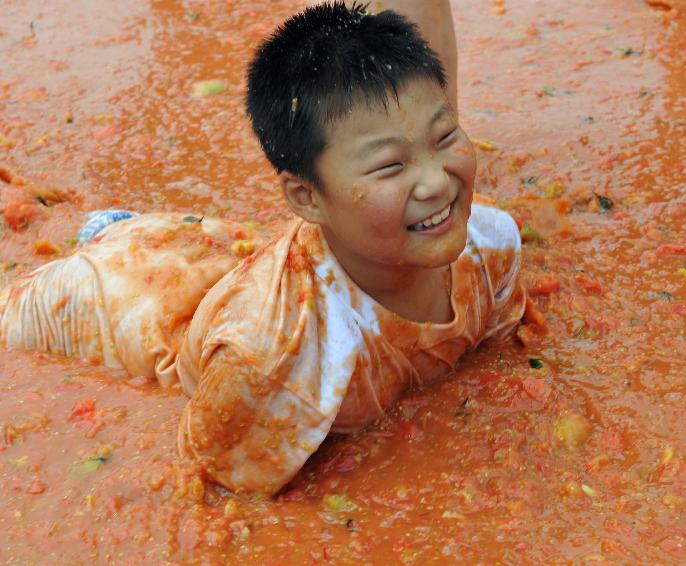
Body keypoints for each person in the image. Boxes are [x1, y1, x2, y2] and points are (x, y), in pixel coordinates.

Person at [0, 2, 527, 495]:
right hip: (112, 296)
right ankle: (107, 233)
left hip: (213, 257)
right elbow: (205, 489)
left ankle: (116, 226)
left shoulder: (491, 246)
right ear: (306, 196)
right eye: (390, 166)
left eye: (445, 137)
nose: (438, 183)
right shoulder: (271, 362)